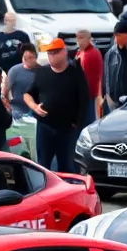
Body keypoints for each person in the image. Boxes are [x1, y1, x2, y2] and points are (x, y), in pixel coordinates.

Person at [24, 39, 89, 173]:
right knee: (43, 166)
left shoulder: (75, 73)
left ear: (64, 52)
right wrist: (34, 107)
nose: (51, 56)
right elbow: (28, 94)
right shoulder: (43, 72)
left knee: (67, 166)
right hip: (45, 127)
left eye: (55, 52)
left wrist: (78, 123)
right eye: (49, 53)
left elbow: (84, 99)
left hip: (67, 128)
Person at [74, 30, 103, 124]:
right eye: (77, 37)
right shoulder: (81, 52)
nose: (78, 40)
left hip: (89, 95)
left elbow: (87, 77)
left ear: (89, 39)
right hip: (85, 95)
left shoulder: (90, 54)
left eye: (81, 38)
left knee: (87, 121)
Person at [2, 42, 37, 117]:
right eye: (27, 57)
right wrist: (8, 107)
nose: (31, 60)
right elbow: (5, 91)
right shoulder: (14, 70)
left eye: (32, 57)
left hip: (35, 109)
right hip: (17, 109)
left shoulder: (42, 71)